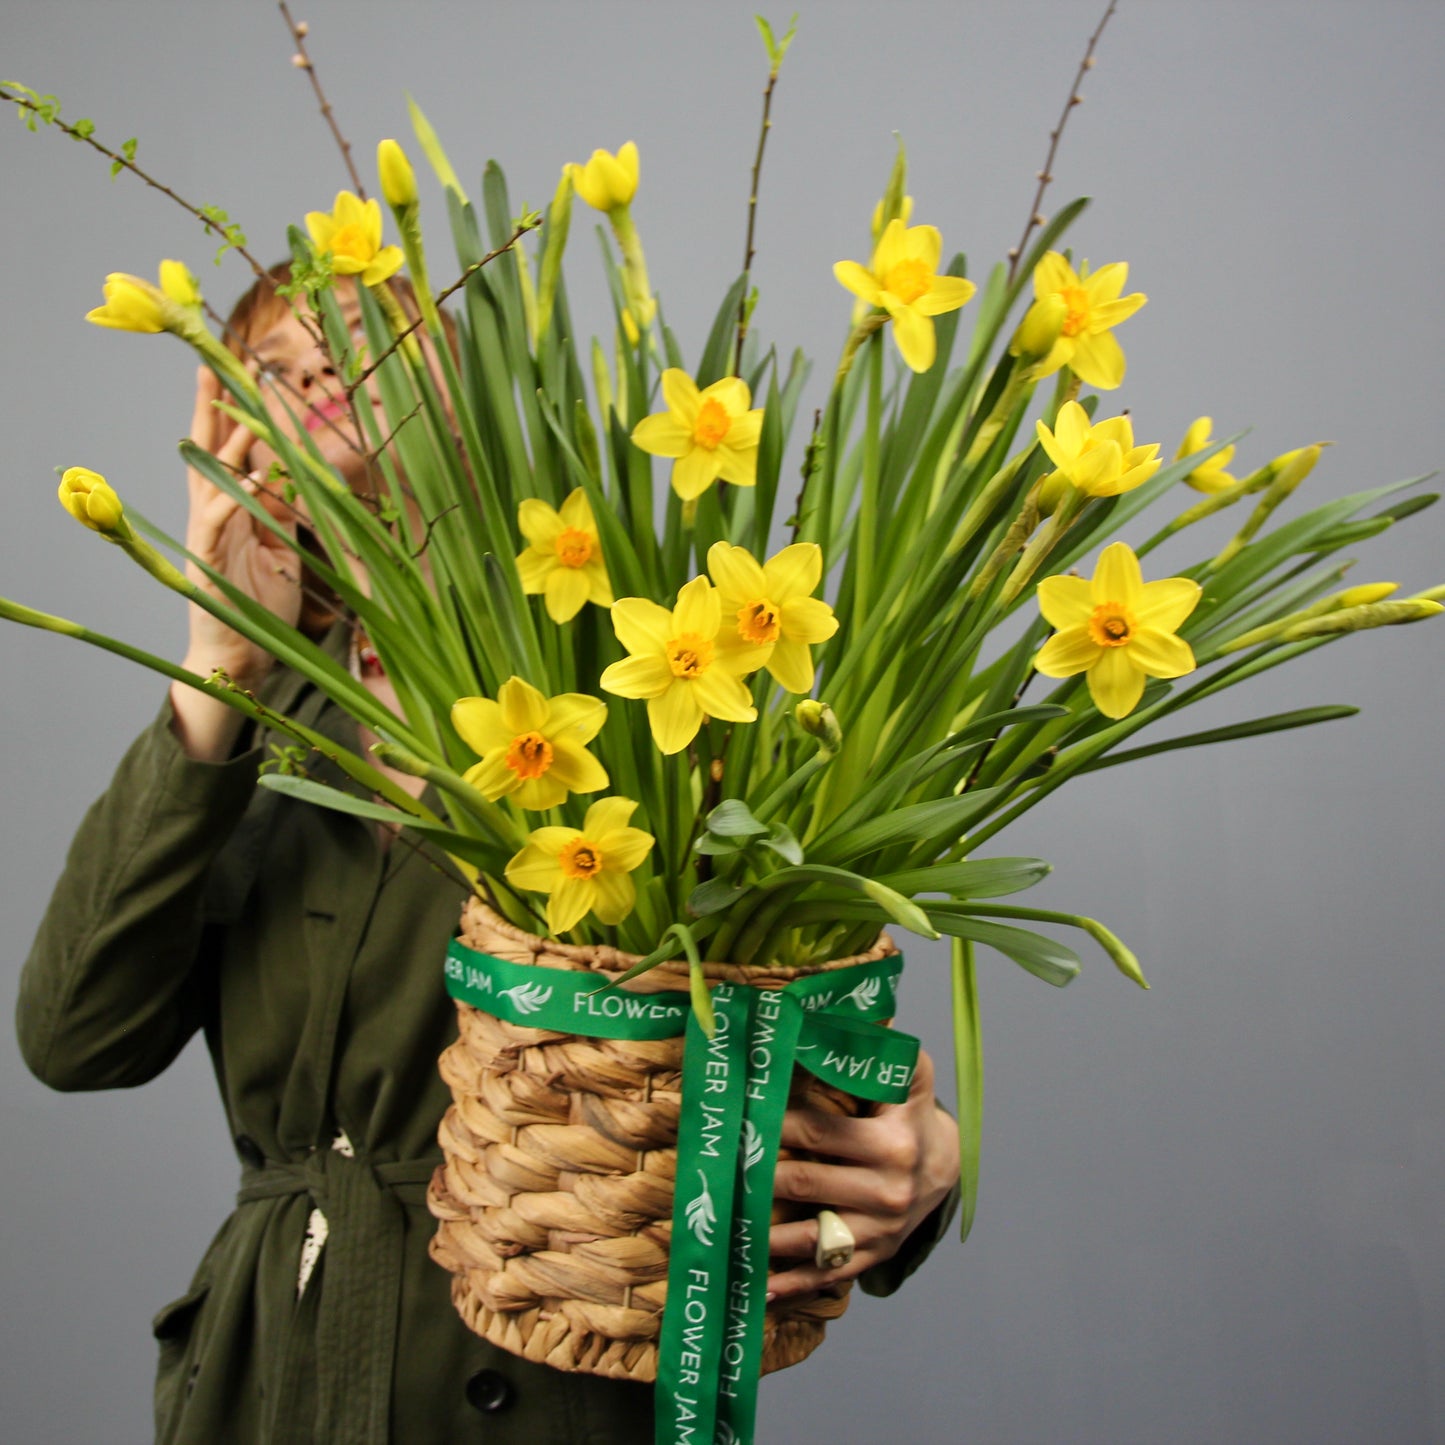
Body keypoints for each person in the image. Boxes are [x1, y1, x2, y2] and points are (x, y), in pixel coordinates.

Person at [17, 268, 960, 1444]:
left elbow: (786, 995)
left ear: (480, 405)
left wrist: (917, 1143)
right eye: (281, 370)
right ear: (231, 429)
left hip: (560, 1371)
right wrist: (218, 665)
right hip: (277, 1387)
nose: (323, 384)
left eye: (361, 349)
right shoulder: (252, 738)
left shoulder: (633, 684)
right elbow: (72, 1039)